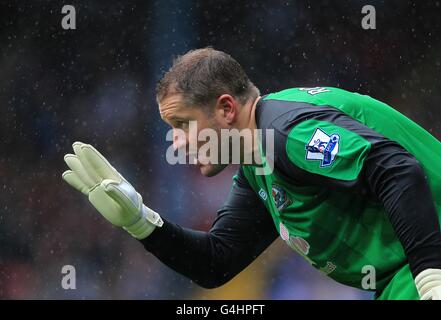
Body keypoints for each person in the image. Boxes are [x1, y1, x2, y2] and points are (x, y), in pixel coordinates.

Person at [62, 47, 441, 300]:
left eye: (183, 123)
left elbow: (396, 170)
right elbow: (217, 261)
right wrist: (141, 222)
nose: (176, 142)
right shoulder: (259, 165)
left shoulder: (284, 133)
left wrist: (430, 276)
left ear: (226, 108)